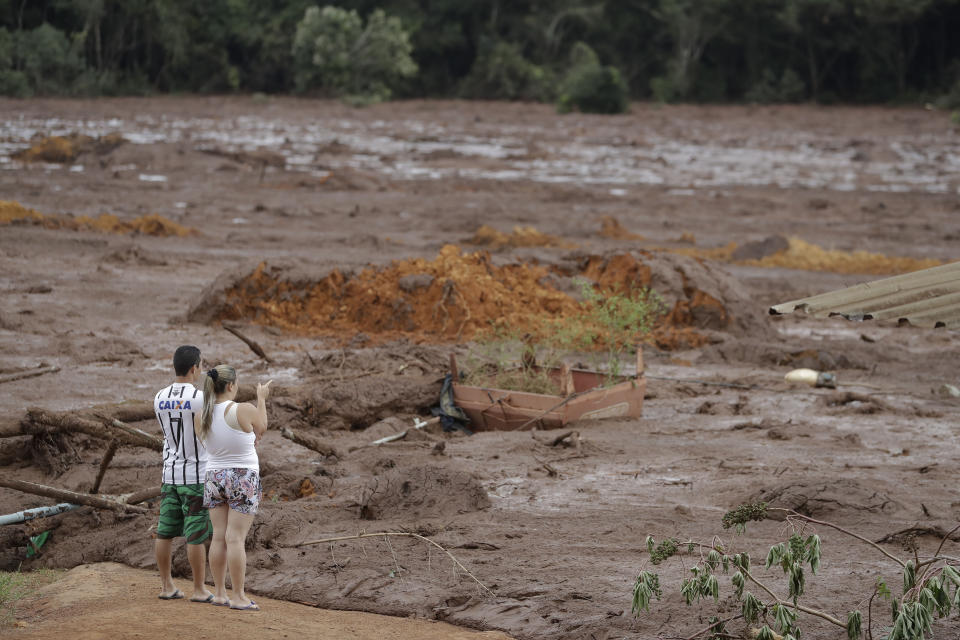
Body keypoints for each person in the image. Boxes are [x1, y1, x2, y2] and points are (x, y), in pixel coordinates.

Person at [197, 364, 271, 610]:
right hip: (242, 476)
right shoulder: (244, 409)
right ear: (230, 385)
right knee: (235, 538)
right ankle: (238, 596)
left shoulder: (201, 414)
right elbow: (262, 427)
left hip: (213, 476)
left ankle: (219, 593)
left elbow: (212, 444)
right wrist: (261, 399)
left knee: (219, 536)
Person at [153, 345, 214, 602]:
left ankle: (167, 585)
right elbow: (208, 432)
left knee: (164, 531)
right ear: (194, 368)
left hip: (170, 474)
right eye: (200, 365)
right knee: (196, 533)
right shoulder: (201, 398)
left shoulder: (158, 397)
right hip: (196, 476)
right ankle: (199, 589)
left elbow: (166, 434)